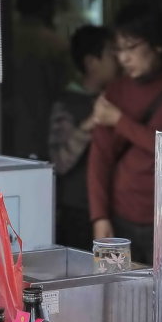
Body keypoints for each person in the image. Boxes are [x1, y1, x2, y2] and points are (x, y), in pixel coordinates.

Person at [87, 4, 162, 264]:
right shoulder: (115, 92)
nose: (123, 58)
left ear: (158, 45)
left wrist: (119, 120)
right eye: (119, 50)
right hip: (121, 217)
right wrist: (100, 216)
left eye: (131, 48)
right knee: (121, 298)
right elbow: (100, 159)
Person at [48, 25, 118, 251]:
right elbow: (59, 161)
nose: (119, 58)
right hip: (78, 211)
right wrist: (89, 125)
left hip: (113, 207)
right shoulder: (68, 104)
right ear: (91, 62)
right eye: (111, 52)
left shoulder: (118, 97)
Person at [11, 0, 71, 160]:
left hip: (6, 129)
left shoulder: (5, 37)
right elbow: (67, 87)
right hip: (42, 130)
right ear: (46, 7)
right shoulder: (54, 44)